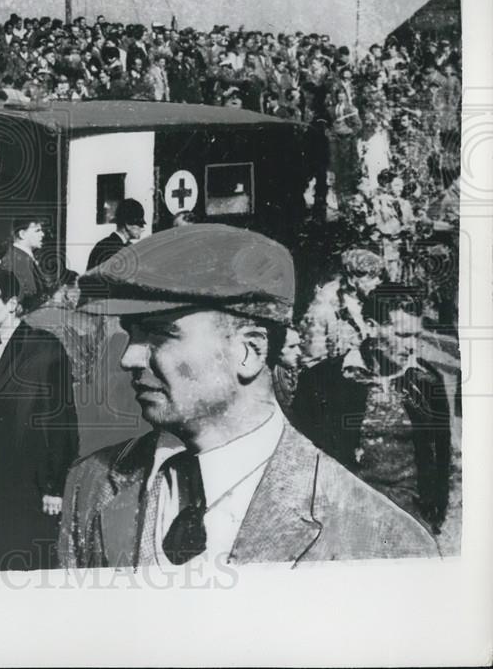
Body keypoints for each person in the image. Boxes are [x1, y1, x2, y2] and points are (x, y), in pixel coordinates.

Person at [59, 224, 438, 570]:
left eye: (159, 333)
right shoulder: (91, 485)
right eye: (131, 334)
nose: (129, 357)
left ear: (248, 352)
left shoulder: (384, 542)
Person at [290, 285, 452, 535]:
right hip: (344, 524)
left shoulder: (427, 381)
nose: (412, 346)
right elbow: (300, 458)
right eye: (402, 334)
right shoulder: (322, 381)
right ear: (372, 326)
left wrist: (434, 517)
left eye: (416, 336)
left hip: (410, 524)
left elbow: (440, 456)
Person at [0, 267, 79, 571]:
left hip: (28, 483)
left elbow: (61, 422)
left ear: (12, 303)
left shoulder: (44, 349)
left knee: (26, 564)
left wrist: (54, 486)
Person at [299, 248, 384, 368]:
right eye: (371, 276)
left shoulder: (371, 303)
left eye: (378, 276)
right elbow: (312, 360)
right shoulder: (324, 308)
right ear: (352, 279)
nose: (378, 281)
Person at [0, 215, 49, 308]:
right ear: (22, 234)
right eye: (37, 230)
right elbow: (28, 299)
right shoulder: (16, 261)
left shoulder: (21, 256)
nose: (42, 234)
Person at [86, 198, 146, 271]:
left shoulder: (122, 246)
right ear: (128, 224)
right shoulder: (109, 248)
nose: (142, 228)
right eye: (140, 224)